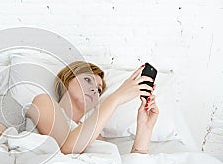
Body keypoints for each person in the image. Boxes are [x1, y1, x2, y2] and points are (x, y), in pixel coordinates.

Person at [26, 61, 157, 154]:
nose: (94, 89)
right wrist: (115, 98)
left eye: (99, 90)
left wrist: (145, 128)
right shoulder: (43, 101)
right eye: (88, 80)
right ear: (67, 80)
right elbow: (67, 148)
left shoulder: (96, 136)